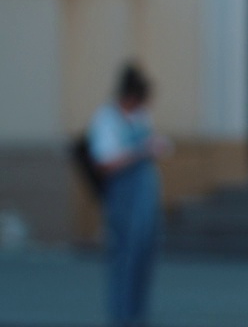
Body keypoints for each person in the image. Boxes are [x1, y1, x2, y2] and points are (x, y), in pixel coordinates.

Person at [88, 62, 170, 327]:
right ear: (129, 97)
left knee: (144, 255)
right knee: (124, 256)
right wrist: (141, 152)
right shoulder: (106, 119)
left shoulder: (140, 116)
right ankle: (121, 314)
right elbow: (105, 163)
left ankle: (138, 313)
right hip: (123, 199)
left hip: (145, 198)